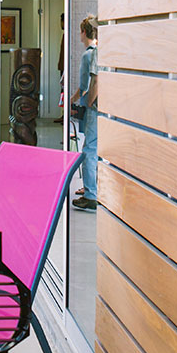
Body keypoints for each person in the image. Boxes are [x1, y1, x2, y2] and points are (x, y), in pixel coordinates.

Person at [71, 15, 99, 212]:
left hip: (93, 108)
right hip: (102, 109)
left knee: (89, 149)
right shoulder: (99, 51)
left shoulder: (88, 55)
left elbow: (85, 86)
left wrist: (77, 102)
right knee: (95, 148)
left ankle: (90, 195)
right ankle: (92, 189)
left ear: (83, 32)